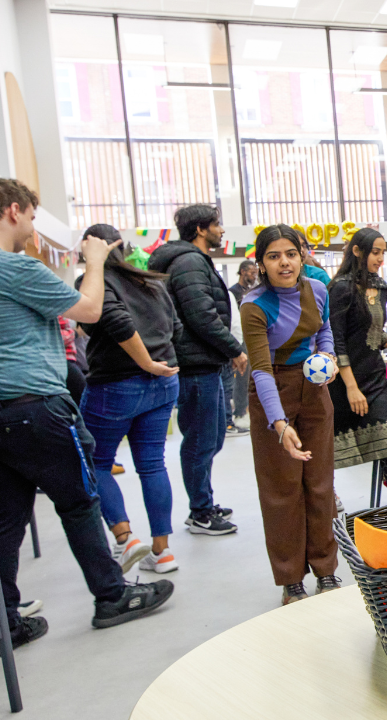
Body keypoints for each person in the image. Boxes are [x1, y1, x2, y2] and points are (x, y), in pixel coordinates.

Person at [0, 178, 173, 660]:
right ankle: (112, 595)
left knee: (3, 519)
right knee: (80, 500)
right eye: (33, 217)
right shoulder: (14, 269)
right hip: (37, 409)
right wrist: (97, 262)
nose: (33, 228)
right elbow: (90, 310)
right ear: (14, 211)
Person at [240, 224, 341, 605]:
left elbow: (326, 331)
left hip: (314, 390)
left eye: (291, 254)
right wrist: (279, 424)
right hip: (272, 391)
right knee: (282, 490)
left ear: (302, 256)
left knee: (319, 483)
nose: (284, 262)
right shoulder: (254, 305)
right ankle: (290, 579)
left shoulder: (317, 289)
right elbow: (262, 369)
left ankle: (326, 570)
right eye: (273, 256)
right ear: (261, 264)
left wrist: (328, 357)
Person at [76, 224, 183, 575]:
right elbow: (175, 328)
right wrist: (156, 363)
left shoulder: (96, 283)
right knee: (152, 463)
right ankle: (163, 553)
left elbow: (117, 324)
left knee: (97, 462)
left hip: (116, 385)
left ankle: (125, 539)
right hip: (163, 382)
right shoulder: (151, 281)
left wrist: (145, 362)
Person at [148, 204, 244, 536]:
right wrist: (235, 350)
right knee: (202, 439)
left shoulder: (191, 260)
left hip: (205, 362)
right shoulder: (189, 261)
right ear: (201, 229)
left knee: (212, 436)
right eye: (217, 224)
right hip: (195, 365)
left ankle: (203, 502)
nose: (222, 231)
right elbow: (201, 315)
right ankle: (200, 512)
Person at [327, 229, 387, 501]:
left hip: (375, 379)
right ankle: (327, 499)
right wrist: (352, 388)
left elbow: (372, 331)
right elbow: (337, 339)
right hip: (345, 383)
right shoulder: (340, 288)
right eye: (375, 252)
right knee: (327, 454)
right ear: (357, 251)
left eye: (383, 252)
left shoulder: (380, 286)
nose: (380, 258)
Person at [226, 258, 258, 429]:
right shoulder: (233, 292)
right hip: (240, 339)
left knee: (252, 375)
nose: (254, 276)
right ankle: (239, 412)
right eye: (252, 273)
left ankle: (248, 409)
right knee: (242, 377)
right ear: (243, 271)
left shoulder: (255, 290)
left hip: (254, 336)